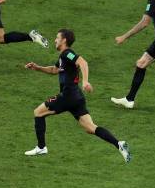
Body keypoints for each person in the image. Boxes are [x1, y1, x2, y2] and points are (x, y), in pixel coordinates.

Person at [24, 29, 131, 162]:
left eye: (57, 38)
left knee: (38, 112)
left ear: (64, 40)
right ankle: (118, 144)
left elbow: (83, 62)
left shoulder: (67, 53)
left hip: (68, 95)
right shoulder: (63, 57)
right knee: (91, 128)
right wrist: (38, 67)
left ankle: (41, 147)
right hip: (76, 97)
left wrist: (85, 81)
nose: (55, 40)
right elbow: (54, 69)